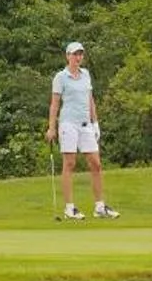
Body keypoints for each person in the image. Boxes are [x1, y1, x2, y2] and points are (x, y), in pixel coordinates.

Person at [45, 41, 116, 220]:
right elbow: (55, 104)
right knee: (70, 164)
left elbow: (90, 99)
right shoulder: (60, 77)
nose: (78, 57)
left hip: (86, 125)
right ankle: (70, 208)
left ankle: (99, 207)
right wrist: (52, 127)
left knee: (96, 164)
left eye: (80, 54)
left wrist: (96, 122)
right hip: (68, 124)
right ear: (67, 56)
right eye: (75, 54)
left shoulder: (86, 75)